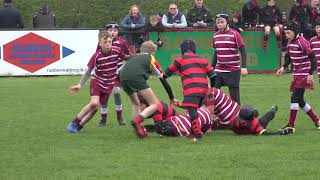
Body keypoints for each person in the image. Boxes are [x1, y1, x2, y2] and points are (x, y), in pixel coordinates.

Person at [66, 31, 125, 133]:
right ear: (100, 43)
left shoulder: (117, 50)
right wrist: (80, 84)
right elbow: (88, 71)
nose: (108, 44)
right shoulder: (96, 55)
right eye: (105, 42)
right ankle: (75, 122)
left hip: (109, 85)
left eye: (110, 42)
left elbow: (126, 59)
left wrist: (121, 68)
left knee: (95, 108)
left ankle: (79, 127)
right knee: (94, 103)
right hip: (97, 82)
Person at [173, 87, 294, 136]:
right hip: (233, 118)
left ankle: (273, 110)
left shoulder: (209, 93)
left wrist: (206, 130)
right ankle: (273, 110)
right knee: (261, 123)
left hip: (232, 119)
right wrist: (180, 104)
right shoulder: (205, 92)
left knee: (261, 124)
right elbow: (195, 107)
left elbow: (208, 116)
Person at [163, 40, 216, 141]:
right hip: (203, 90)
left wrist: (162, 76)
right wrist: (211, 89)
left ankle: (197, 134)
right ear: (194, 49)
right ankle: (194, 129)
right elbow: (213, 76)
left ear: (182, 50)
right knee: (194, 110)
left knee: (192, 112)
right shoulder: (202, 60)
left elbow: (167, 73)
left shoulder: (180, 59)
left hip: (191, 89)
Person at [119, 41, 174, 138]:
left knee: (136, 103)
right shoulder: (151, 58)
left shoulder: (134, 57)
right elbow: (162, 79)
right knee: (155, 104)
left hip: (122, 78)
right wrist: (171, 97)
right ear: (153, 53)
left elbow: (119, 70)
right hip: (136, 77)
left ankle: (138, 130)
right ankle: (138, 121)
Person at [277, 21, 320, 131]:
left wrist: (310, 74)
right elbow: (290, 57)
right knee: (300, 100)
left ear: (295, 32)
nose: (286, 35)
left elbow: (313, 59)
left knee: (294, 97)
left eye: (288, 33)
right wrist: (283, 67)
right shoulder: (290, 42)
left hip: (304, 74)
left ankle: (291, 126)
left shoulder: (302, 42)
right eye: (285, 33)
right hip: (297, 74)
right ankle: (317, 120)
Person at [96, 22, 130, 126]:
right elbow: (97, 56)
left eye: (115, 31)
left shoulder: (122, 42)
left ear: (118, 32)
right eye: (110, 30)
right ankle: (103, 118)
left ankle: (120, 117)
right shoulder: (101, 43)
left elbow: (127, 56)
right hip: (105, 74)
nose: (113, 32)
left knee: (116, 92)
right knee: (105, 96)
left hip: (117, 73)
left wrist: (122, 68)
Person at [212, 12, 248, 105]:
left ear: (227, 22)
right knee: (212, 95)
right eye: (218, 22)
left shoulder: (235, 34)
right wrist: (211, 68)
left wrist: (244, 67)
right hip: (219, 70)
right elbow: (216, 52)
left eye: (222, 22)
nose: (219, 24)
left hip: (233, 70)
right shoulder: (215, 35)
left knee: (234, 98)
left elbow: (243, 51)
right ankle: (212, 117)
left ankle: (238, 117)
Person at [144, 107, 213, 138]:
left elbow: (186, 114)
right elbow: (202, 131)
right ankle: (146, 129)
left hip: (176, 120)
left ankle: (145, 128)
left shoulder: (196, 108)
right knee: (164, 129)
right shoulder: (209, 121)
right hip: (183, 129)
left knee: (162, 126)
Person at [309, 20, 320, 84]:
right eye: (317, 27)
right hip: (317, 66)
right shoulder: (312, 40)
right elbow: (309, 53)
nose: (319, 29)